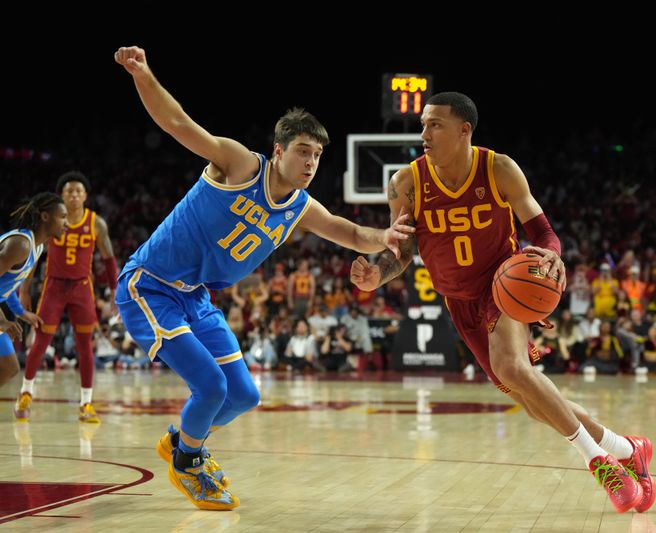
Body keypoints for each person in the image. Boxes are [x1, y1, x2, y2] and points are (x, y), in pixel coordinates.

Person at [113, 46, 413, 510]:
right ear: (278, 151)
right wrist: (142, 72)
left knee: (244, 395)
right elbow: (177, 124)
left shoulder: (300, 208)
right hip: (150, 285)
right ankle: (187, 461)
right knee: (211, 387)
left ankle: (181, 442)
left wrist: (386, 235)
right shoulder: (239, 164)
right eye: (302, 152)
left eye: (317, 155)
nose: (311, 162)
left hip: (195, 298)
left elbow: (352, 233)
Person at [350, 92, 656, 514]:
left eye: (434, 124)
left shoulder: (498, 168)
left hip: (503, 284)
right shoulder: (406, 183)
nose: (424, 134)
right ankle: (627, 448)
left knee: (514, 368)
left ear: (464, 130)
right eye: (423, 125)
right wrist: (376, 274)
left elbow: (543, 232)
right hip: (458, 301)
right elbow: (399, 253)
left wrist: (551, 253)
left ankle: (599, 462)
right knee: (532, 402)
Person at [15, 172, 118, 424]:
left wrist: (114, 290)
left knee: (85, 346)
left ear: (85, 195)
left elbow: (109, 258)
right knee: (40, 340)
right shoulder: (52, 222)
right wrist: (25, 290)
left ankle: (86, 403)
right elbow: (34, 257)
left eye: (78, 191)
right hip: (54, 287)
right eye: (69, 191)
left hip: (82, 288)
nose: (73, 195)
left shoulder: (96, 223)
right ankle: (25, 393)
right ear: (61, 195)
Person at [0, 194, 68, 387]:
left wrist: (21, 313)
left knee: (9, 366)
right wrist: (2, 320)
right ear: (45, 217)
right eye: (62, 217)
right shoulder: (20, 245)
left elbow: (6, 287)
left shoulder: (36, 249)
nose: (67, 224)